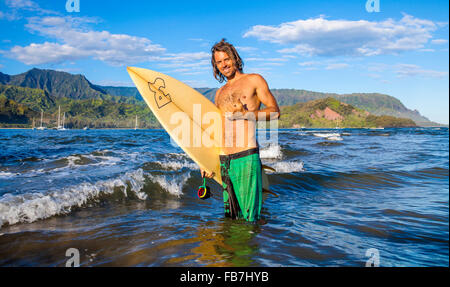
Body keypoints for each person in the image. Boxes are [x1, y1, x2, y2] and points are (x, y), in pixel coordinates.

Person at [201, 39, 280, 222]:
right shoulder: (219, 93)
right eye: (219, 62)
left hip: (246, 156)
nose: (224, 65)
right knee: (232, 218)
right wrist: (205, 160)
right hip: (225, 160)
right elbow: (218, 129)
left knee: (249, 219)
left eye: (226, 59)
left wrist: (246, 114)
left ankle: (254, 248)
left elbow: (275, 112)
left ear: (235, 58)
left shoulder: (254, 80)